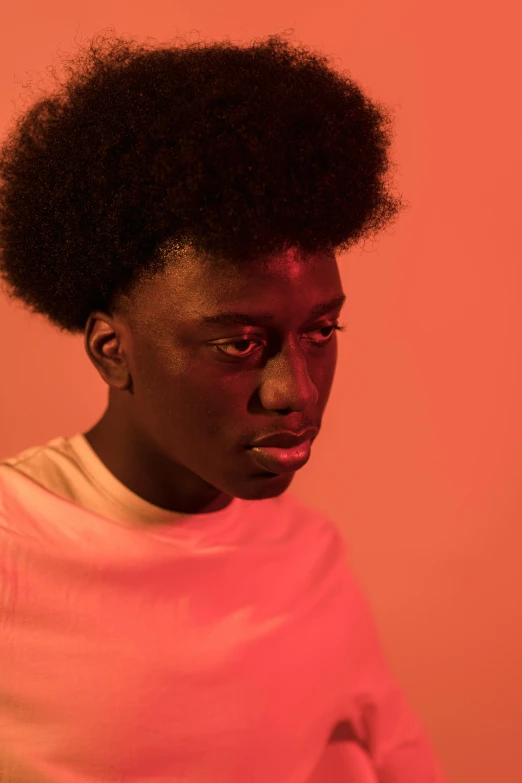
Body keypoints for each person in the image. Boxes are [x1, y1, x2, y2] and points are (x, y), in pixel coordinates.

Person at [0, 27, 448, 782]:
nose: (296, 390)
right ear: (113, 348)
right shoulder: (15, 550)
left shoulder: (309, 559)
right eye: (239, 342)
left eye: (321, 331)